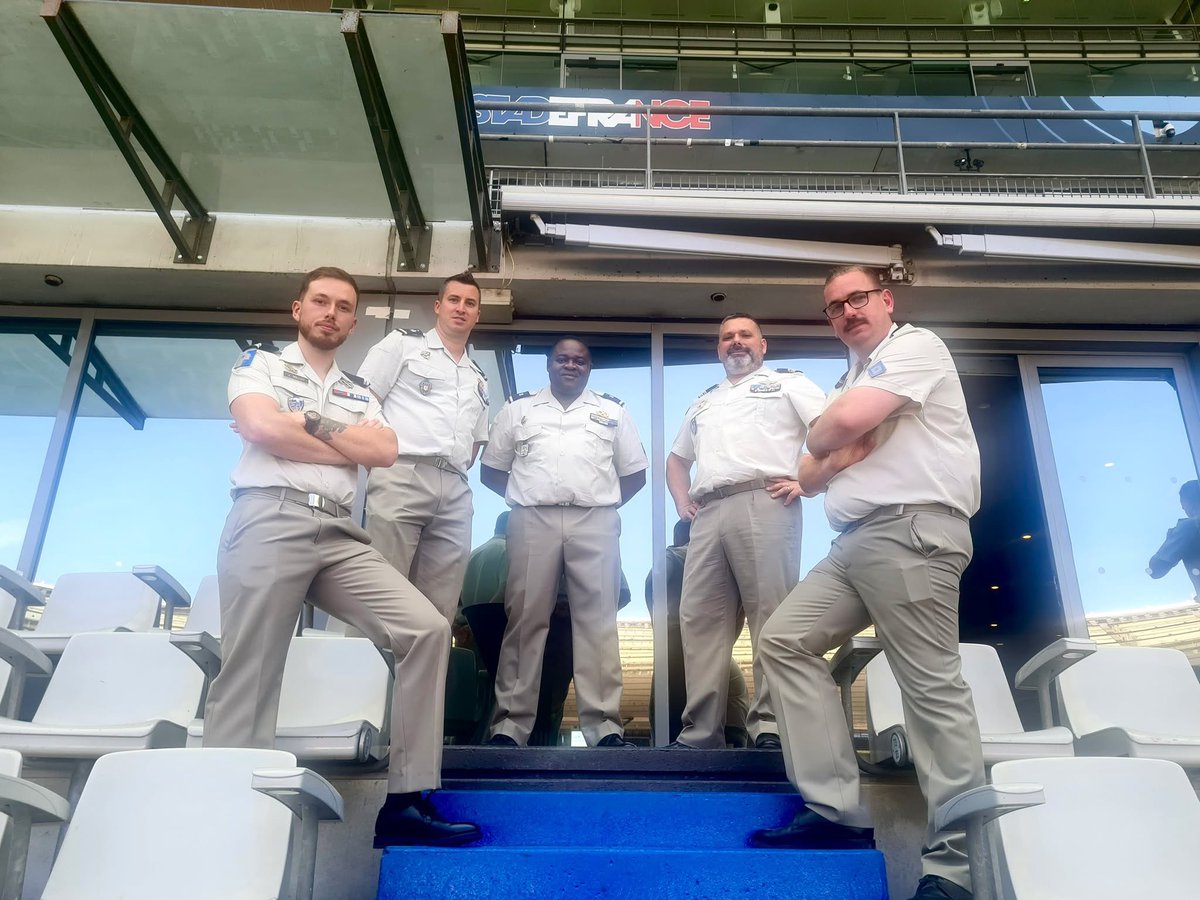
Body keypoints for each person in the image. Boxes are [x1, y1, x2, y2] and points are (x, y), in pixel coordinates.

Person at [204, 266, 479, 848]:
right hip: (270, 516)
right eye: (321, 302)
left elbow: (383, 450)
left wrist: (306, 421)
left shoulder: (358, 390)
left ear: (354, 323)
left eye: (344, 307)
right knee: (252, 668)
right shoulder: (261, 365)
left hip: (337, 532)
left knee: (427, 629)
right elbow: (258, 426)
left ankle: (405, 801)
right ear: (298, 309)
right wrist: (338, 444)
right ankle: (225, 814)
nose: (331, 313)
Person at [751, 265, 984, 900]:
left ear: (886, 299)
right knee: (784, 640)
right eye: (835, 307)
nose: (848, 312)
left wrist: (832, 441)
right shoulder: (851, 378)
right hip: (853, 542)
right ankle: (836, 811)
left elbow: (824, 434)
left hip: (912, 528)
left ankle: (957, 868)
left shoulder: (915, 346)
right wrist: (838, 449)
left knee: (929, 686)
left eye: (858, 299)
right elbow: (808, 471)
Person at [665, 314, 826, 750]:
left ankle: (769, 725)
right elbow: (677, 460)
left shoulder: (789, 383)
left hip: (765, 499)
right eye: (727, 337)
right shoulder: (704, 401)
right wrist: (682, 502)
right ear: (719, 348)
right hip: (708, 512)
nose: (736, 342)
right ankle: (701, 733)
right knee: (699, 620)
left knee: (770, 614)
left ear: (763, 345)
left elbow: (829, 432)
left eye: (745, 335)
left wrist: (808, 482)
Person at [480, 337, 648, 748]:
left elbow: (634, 473)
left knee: (598, 623)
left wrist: (597, 503)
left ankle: (604, 727)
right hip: (532, 519)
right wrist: (529, 497)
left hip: (595, 519)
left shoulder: (613, 411)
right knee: (525, 620)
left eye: (580, 361)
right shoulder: (518, 409)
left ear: (589, 368)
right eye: (562, 359)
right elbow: (492, 470)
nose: (571, 365)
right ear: (549, 365)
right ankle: (510, 726)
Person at [358, 271, 490, 624]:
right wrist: (380, 454)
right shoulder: (403, 345)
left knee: (439, 606)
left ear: (478, 314)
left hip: (455, 488)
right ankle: (366, 662)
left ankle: (425, 664)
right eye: (454, 300)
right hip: (403, 472)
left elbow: (474, 443)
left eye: (470, 304)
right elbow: (363, 399)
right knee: (381, 590)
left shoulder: (479, 378)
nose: (461, 308)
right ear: (437, 306)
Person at [645, 519, 749, 748]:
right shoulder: (724, 558)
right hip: (715, 646)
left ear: (677, 538)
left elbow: (653, 582)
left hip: (675, 640)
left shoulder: (674, 555)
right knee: (729, 698)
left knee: (667, 711)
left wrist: (661, 624)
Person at [1148, 479, 1200, 598]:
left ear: (1189, 503)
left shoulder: (1189, 527)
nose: (1182, 508)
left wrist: (1172, 538)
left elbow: (1156, 570)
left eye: (1183, 503)